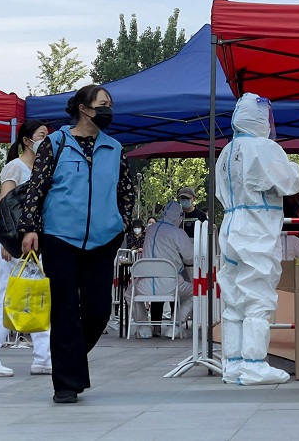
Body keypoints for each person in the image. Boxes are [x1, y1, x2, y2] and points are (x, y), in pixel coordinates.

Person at [21, 84, 134, 404]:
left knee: (98, 312)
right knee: (66, 310)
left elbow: (126, 192)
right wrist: (30, 228)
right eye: (102, 104)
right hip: (59, 238)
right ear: (84, 108)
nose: (108, 109)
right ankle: (66, 385)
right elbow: (37, 187)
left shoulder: (114, 148)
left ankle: (67, 361)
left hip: (103, 239)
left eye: (110, 104)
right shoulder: (55, 143)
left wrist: (122, 222)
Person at [215, 93, 299, 386]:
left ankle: (233, 363)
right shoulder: (264, 148)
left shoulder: (227, 151)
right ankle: (254, 365)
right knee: (258, 295)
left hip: (231, 225)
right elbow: (289, 183)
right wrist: (294, 169)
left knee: (234, 296)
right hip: (256, 226)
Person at [0, 119, 53, 378]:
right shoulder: (15, 167)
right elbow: (6, 207)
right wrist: (7, 241)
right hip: (15, 243)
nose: (46, 140)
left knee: (38, 297)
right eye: (42, 135)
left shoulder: (42, 168)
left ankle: (43, 358)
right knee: (8, 300)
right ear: (27, 141)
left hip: (34, 243)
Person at [130, 201, 194, 339]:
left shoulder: (150, 230)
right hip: (171, 284)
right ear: (179, 216)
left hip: (144, 285)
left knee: (129, 293)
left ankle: (143, 327)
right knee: (196, 292)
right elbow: (190, 258)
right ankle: (175, 326)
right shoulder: (178, 233)